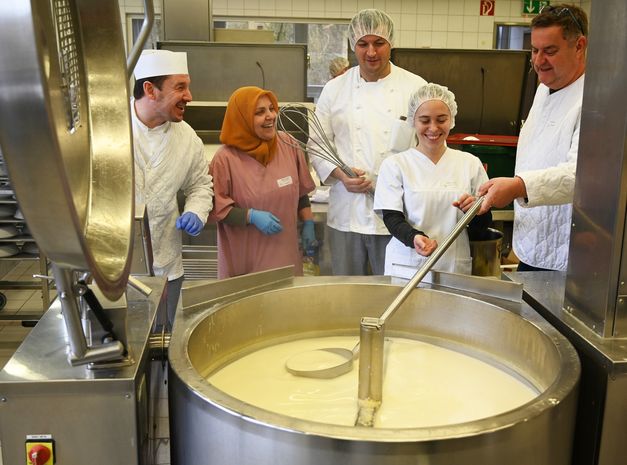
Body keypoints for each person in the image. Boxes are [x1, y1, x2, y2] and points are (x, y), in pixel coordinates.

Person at [311, 8, 427, 276]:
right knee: (346, 294)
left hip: (397, 214)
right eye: (363, 44)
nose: (371, 52)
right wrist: (342, 176)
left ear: (391, 44)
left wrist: (391, 181)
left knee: (392, 293)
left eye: (379, 43)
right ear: (353, 46)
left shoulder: (415, 87)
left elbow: (426, 147)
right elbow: (318, 142)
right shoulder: (335, 89)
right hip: (346, 212)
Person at [477, 4, 588, 272]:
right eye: (534, 50)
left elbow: (580, 176)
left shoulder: (593, 102)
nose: (538, 61)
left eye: (549, 51)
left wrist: (517, 187)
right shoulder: (544, 89)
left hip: (567, 255)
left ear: (579, 46)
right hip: (531, 242)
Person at [374, 83, 492, 276]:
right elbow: (392, 218)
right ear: (413, 121)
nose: (433, 128)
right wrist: (414, 238)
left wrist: (476, 212)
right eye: (425, 120)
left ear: (451, 120)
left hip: (454, 265)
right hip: (407, 263)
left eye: (441, 119)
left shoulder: (470, 163)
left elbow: (483, 225)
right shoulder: (395, 164)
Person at [132, 49, 214, 326]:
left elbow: (200, 186)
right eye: (180, 87)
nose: (189, 96)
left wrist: (196, 212)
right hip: (114, 267)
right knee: (120, 342)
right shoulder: (108, 132)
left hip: (167, 264)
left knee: (163, 341)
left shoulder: (187, 138)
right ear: (150, 90)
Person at [209, 86, 316, 279]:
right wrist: (250, 216)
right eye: (260, 112)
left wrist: (308, 221)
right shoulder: (225, 159)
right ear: (242, 119)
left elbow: (300, 192)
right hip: (246, 261)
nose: (271, 116)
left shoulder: (288, 144)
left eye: (271, 109)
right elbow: (217, 209)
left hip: (286, 257)